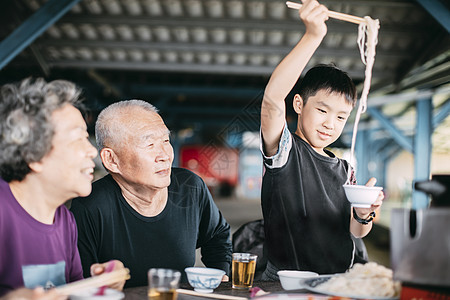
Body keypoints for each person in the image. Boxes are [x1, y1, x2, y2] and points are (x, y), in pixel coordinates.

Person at [259, 0, 384, 280]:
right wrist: (313, 35)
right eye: (322, 110)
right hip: (285, 282)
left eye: (341, 117)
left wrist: (364, 213)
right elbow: (271, 99)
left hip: (337, 280)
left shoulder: (344, 169)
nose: (330, 123)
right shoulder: (286, 152)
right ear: (299, 104)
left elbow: (356, 230)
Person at [70, 99, 232, 288]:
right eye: (150, 145)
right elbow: (82, 285)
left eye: (165, 141)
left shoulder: (190, 188)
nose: (164, 155)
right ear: (112, 160)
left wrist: (221, 274)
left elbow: (217, 235)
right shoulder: (89, 208)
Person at [0, 78, 125, 299]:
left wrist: (100, 284)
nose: (92, 152)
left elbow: (69, 293)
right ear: (33, 155)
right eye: (78, 139)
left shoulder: (65, 220)